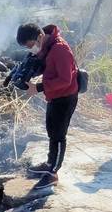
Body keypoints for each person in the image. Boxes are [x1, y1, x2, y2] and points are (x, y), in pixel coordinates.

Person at [16, 22, 79, 190]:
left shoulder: (60, 49)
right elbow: (47, 67)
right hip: (55, 96)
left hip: (65, 97)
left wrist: (39, 87)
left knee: (58, 135)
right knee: (52, 131)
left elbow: (66, 79)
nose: (31, 49)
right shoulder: (48, 46)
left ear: (39, 37)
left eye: (31, 45)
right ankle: (50, 162)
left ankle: (53, 173)